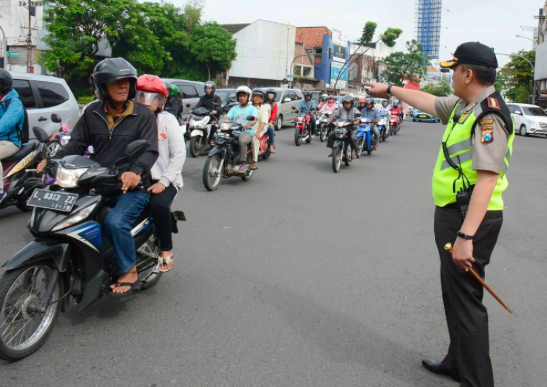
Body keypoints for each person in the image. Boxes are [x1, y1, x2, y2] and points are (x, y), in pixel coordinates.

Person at [366, 42, 514, 387]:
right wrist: (389, 89)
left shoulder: (488, 115)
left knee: (466, 302)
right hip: (454, 213)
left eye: (452, 70)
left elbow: (487, 181)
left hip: (469, 219)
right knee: (455, 294)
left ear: (468, 73)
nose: (449, 77)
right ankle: (456, 362)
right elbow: (430, 103)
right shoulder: (467, 106)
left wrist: (465, 237)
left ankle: (477, 381)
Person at [37, 58, 159, 296]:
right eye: (116, 82)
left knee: (115, 222)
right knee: (71, 219)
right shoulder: (92, 112)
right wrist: (51, 161)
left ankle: (129, 269)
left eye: (126, 82)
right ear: (103, 86)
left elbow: (150, 150)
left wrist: (136, 172)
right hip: (97, 182)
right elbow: (77, 143)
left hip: (132, 188)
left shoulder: (143, 115)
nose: (123, 87)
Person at [136, 74, 186, 273]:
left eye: (152, 98)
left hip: (166, 179)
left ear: (160, 101)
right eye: (142, 96)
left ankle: (166, 248)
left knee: (158, 205)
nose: (146, 102)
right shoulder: (130, 121)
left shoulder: (167, 120)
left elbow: (179, 154)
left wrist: (164, 181)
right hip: (137, 178)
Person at [0, 69, 24, 202]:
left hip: (10, 142)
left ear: (5, 85)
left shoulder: (14, 102)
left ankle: (0, 191)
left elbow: (6, 123)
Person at [224, 86, 257, 173]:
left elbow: (254, 120)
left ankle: (243, 163)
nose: (241, 98)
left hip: (246, 132)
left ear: (248, 97)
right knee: (223, 138)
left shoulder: (252, 108)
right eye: (240, 96)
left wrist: (248, 124)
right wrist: (220, 121)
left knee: (241, 140)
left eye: (244, 96)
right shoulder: (234, 108)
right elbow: (227, 117)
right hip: (234, 131)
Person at [191, 81, 222, 146]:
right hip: (204, 116)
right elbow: (198, 105)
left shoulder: (217, 98)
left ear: (213, 89)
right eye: (206, 88)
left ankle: (212, 139)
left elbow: (219, 107)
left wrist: (216, 111)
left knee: (214, 126)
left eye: (209, 88)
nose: (207, 90)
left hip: (213, 117)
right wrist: (193, 110)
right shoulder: (203, 98)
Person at [250, 88, 270, 170]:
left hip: (258, 129)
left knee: (254, 139)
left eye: (259, 96)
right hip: (246, 129)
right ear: (252, 97)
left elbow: (263, 122)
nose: (257, 98)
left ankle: (254, 161)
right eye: (255, 96)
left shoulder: (263, 108)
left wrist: (258, 132)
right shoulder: (248, 106)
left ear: (262, 98)